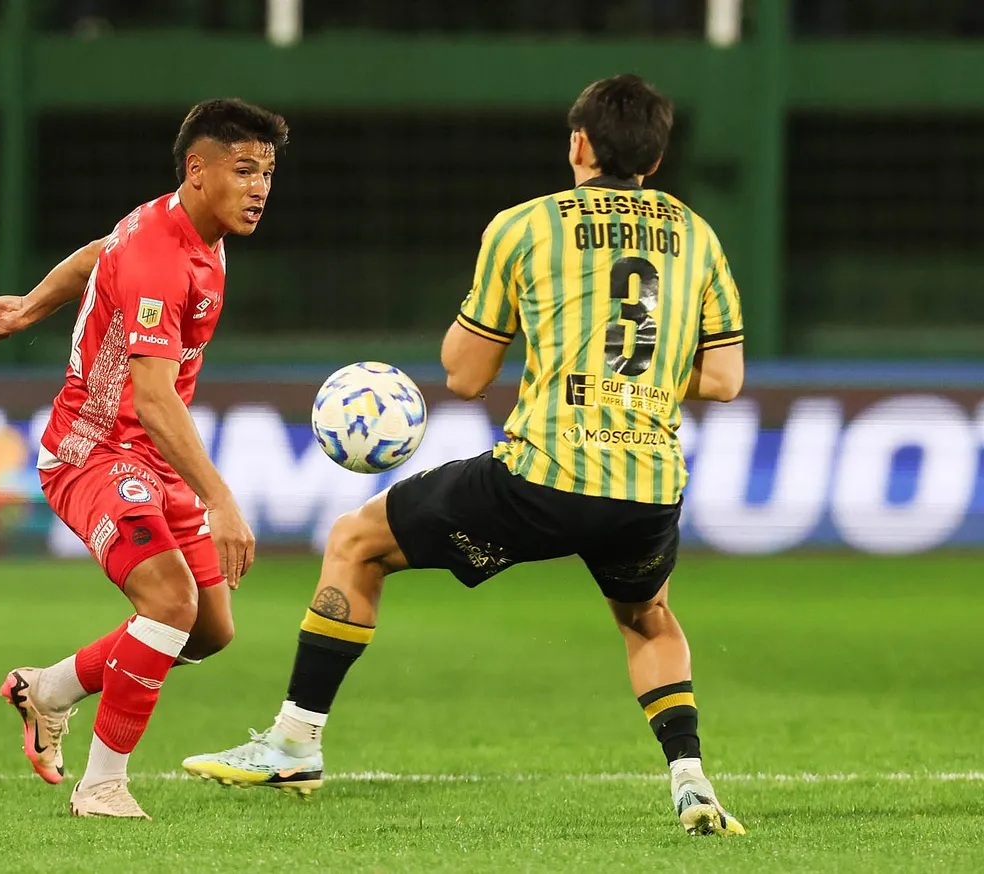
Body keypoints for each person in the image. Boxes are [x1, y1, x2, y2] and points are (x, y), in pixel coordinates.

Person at [179, 74, 748, 837]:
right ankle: (690, 779)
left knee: (356, 542)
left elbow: (465, 374)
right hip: (650, 482)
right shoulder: (698, 235)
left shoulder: (526, 226)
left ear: (579, 144)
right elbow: (724, 378)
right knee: (648, 617)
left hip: (546, 475)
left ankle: (293, 742)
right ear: (654, 155)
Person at [0, 98, 288, 819]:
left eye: (267, 171)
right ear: (197, 171)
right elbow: (155, 396)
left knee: (209, 630)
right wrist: (224, 501)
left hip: (153, 456)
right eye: (244, 169)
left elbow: (96, 253)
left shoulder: (180, 223)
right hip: (94, 453)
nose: (260, 186)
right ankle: (102, 786)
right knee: (168, 602)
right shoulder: (161, 256)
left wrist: (30, 308)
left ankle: (48, 690)